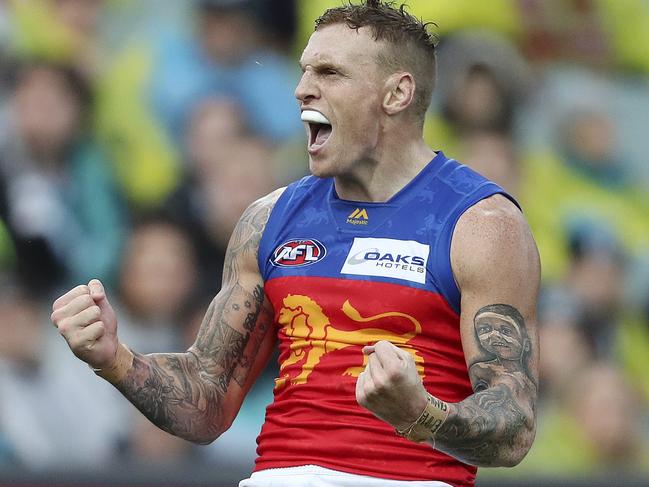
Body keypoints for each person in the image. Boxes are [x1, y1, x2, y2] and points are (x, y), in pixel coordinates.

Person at [50, 2, 540, 486]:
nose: (303, 89)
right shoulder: (269, 220)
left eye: (330, 73)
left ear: (397, 93)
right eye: (305, 71)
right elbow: (207, 401)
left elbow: (514, 426)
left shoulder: (480, 223)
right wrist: (115, 358)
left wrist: (419, 413)